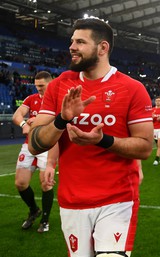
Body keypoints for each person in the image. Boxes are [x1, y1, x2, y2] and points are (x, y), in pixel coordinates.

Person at [28, 18, 153, 257]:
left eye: (80, 42)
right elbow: (35, 144)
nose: (72, 47)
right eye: (72, 41)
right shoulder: (59, 86)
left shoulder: (132, 88)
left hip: (118, 199)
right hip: (72, 200)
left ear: (102, 48)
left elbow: (145, 147)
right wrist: (62, 120)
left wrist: (103, 140)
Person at [12, 70, 55, 233]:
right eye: (36, 86)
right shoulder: (31, 99)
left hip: (48, 146)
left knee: (46, 184)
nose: (38, 89)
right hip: (29, 145)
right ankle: (34, 210)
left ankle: (44, 220)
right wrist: (24, 125)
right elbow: (17, 115)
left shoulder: (58, 99)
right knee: (20, 183)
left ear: (50, 83)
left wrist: (35, 121)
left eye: (42, 86)